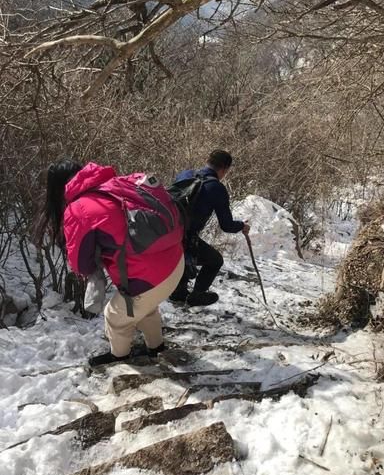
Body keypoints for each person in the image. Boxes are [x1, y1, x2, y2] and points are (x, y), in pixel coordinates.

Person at [44, 159, 184, 366]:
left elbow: (81, 265)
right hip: (175, 261)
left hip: (149, 276)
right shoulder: (120, 184)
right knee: (146, 307)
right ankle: (157, 348)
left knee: (115, 317)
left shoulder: (78, 209)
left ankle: (119, 359)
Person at [170, 149, 250, 307]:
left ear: (208, 160)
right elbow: (226, 225)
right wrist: (242, 226)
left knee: (189, 252)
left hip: (168, 231)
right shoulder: (216, 188)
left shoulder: (185, 175)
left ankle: (178, 293)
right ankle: (197, 295)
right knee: (214, 260)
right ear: (225, 169)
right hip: (186, 238)